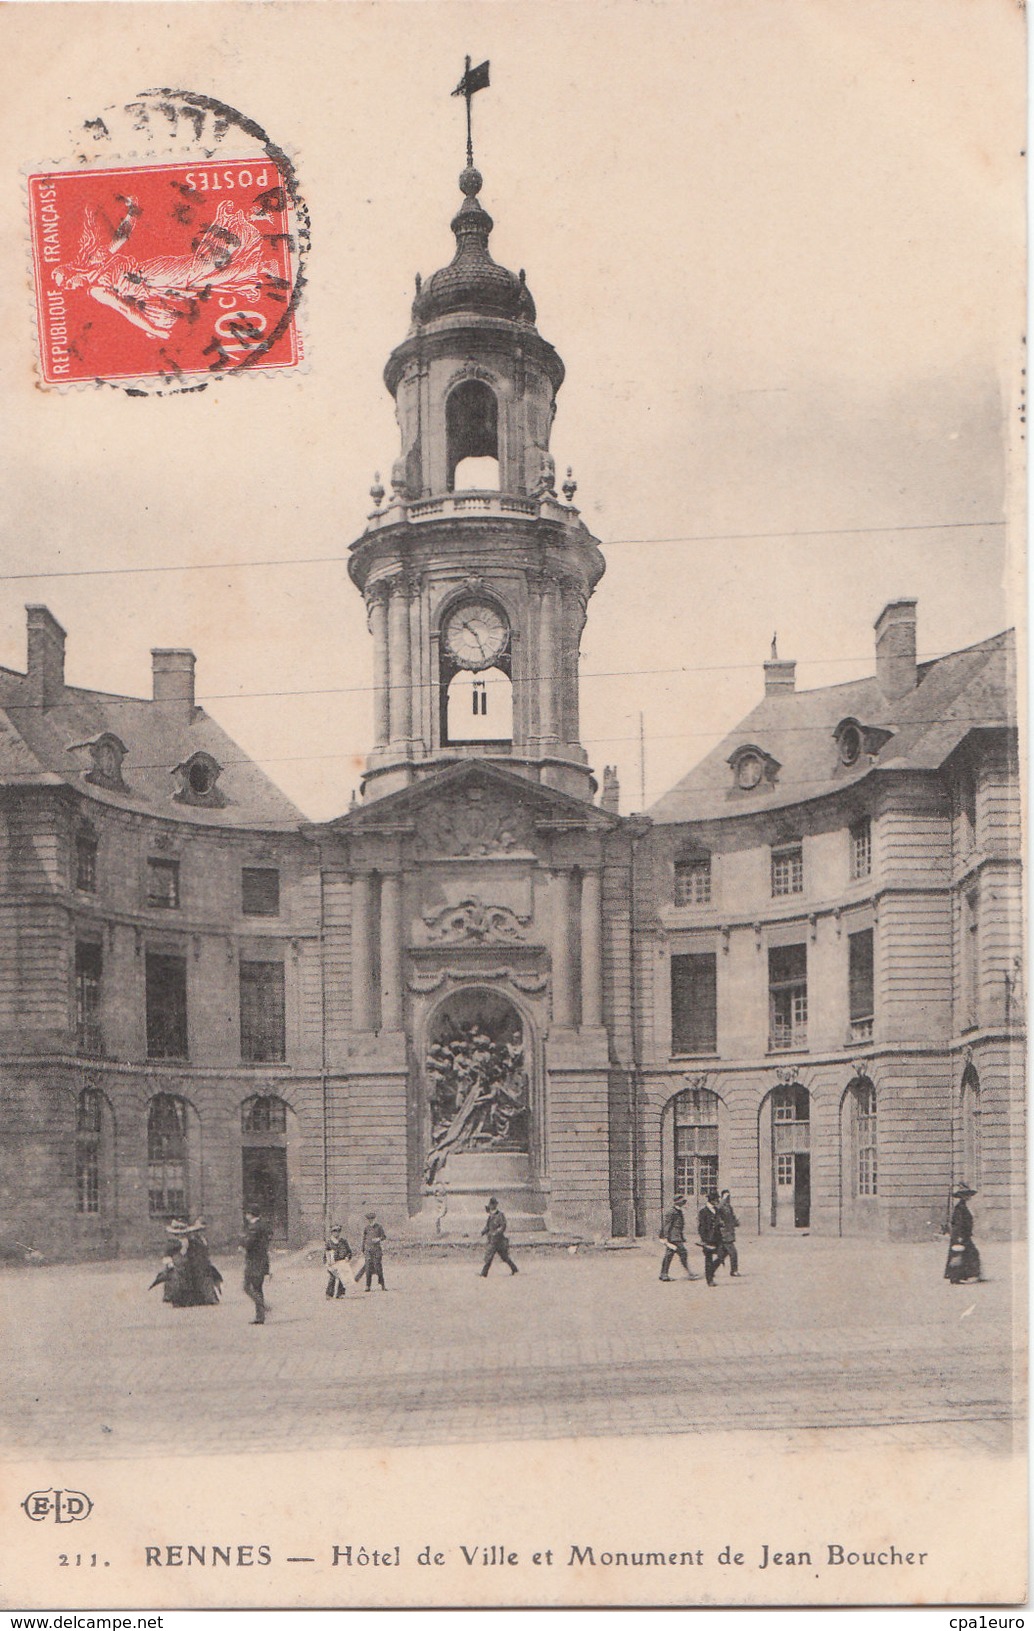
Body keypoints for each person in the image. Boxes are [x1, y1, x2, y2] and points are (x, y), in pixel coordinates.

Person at [945, 1185, 983, 1284]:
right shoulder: (960, 1208)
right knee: (962, 1255)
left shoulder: (962, 1207)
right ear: (962, 1196)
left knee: (965, 1255)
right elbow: (958, 1223)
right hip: (961, 1236)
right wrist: (959, 1238)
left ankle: (964, 1275)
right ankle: (957, 1277)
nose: (968, 1197)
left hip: (963, 1235)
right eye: (966, 1195)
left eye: (968, 1195)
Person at [182, 1219, 223, 1305]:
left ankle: (210, 1298)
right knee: (201, 1280)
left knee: (208, 1279)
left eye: (202, 1230)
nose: (200, 1232)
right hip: (196, 1263)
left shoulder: (203, 1239)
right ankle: (207, 1298)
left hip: (204, 1262)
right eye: (198, 1230)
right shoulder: (192, 1240)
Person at [658, 1194, 697, 1281]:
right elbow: (667, 1225)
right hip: (673, 1237)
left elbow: (679, 1226)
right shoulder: (672, 1212)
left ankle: (663, 1274)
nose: (683, 1203)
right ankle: (689, 1273)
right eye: (682, 1201)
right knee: (683, 1253)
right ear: (677, 1202)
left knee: (669, 1255)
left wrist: (682, 1236)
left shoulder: (678, 1211)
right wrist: (665, 1237)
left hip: (676, 1237)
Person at [242, 1209, 271, 1324]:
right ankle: (260, 1316)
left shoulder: (254, 1227)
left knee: (247, 1286)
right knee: (258, 1288)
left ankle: (263, 1307)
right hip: (262, 1260)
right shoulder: (263, 1225)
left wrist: (242, 1243)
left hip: (254, 1262)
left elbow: (249, 1243)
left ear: (250, 1214)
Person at [480, 1196, 519, 1277]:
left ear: (495, 1205)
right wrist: (483, 1231)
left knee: (502, 1257)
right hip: (492, 1239)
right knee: (490, 1256)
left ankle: (514, 1269)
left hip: (498, 1240)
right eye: (490, 1204)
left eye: (493, 1204)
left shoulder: (500, 1215)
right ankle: (484, 1273)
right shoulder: (490, 1216)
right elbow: (488, 1226)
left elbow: (503, 1226)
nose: (491, 1206)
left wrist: (497, 1232)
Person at [697, 1190, 724, 1286]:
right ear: (711, 1200)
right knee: (708, 1259)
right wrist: (704, 1239)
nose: (717, 1201)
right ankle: (710, 1280)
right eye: (716, 1199)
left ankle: (710, 1271)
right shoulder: (703, 1211)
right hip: (708, 1238)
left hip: (717, 1238)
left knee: (722, 1254)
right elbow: (701, 1227)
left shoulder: (717, 1210)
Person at [356, 1210, 387, 1291]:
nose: (371, 1220)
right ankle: (368, 1286)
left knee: (378, 1267)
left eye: (372, 1219)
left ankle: (382, 1284)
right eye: (369, 1219)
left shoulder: (379, 1227)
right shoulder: (366, 1228)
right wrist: (363, 1248)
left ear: (374, 1219)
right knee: (368, 1268)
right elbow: (364, 1239)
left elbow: (384, 1236)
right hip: (368, 1250)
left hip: (377, 1250)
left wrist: (378, 1239)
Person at [324, 1224, 352, 1299]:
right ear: (332, 1232)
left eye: (338, 1231)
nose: (336, 1233)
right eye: (334, 1231)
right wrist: (327, 1263)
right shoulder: (329, 1243)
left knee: (342, 1277)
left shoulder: (343, 1241)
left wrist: (347, 1257)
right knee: (332, 1277)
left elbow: (349, 1252)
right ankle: (329, 1294)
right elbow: (326, 1254)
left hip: (342, 1263)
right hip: (332, 1263)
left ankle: (340, 1293)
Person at [716, 1190, 740, 1277]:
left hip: (729, 1233)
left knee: (722, 1254)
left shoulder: (729, 1207)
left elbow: (732, 1217)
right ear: (722, 1197)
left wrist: (736, 1222)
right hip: (724, 1234)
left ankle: (711, 1269)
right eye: (726, 1197)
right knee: (733, 1252)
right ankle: (734, 1271)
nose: (728, 1199)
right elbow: (717, 1214)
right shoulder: (720, 1206)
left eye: (729, 1197)